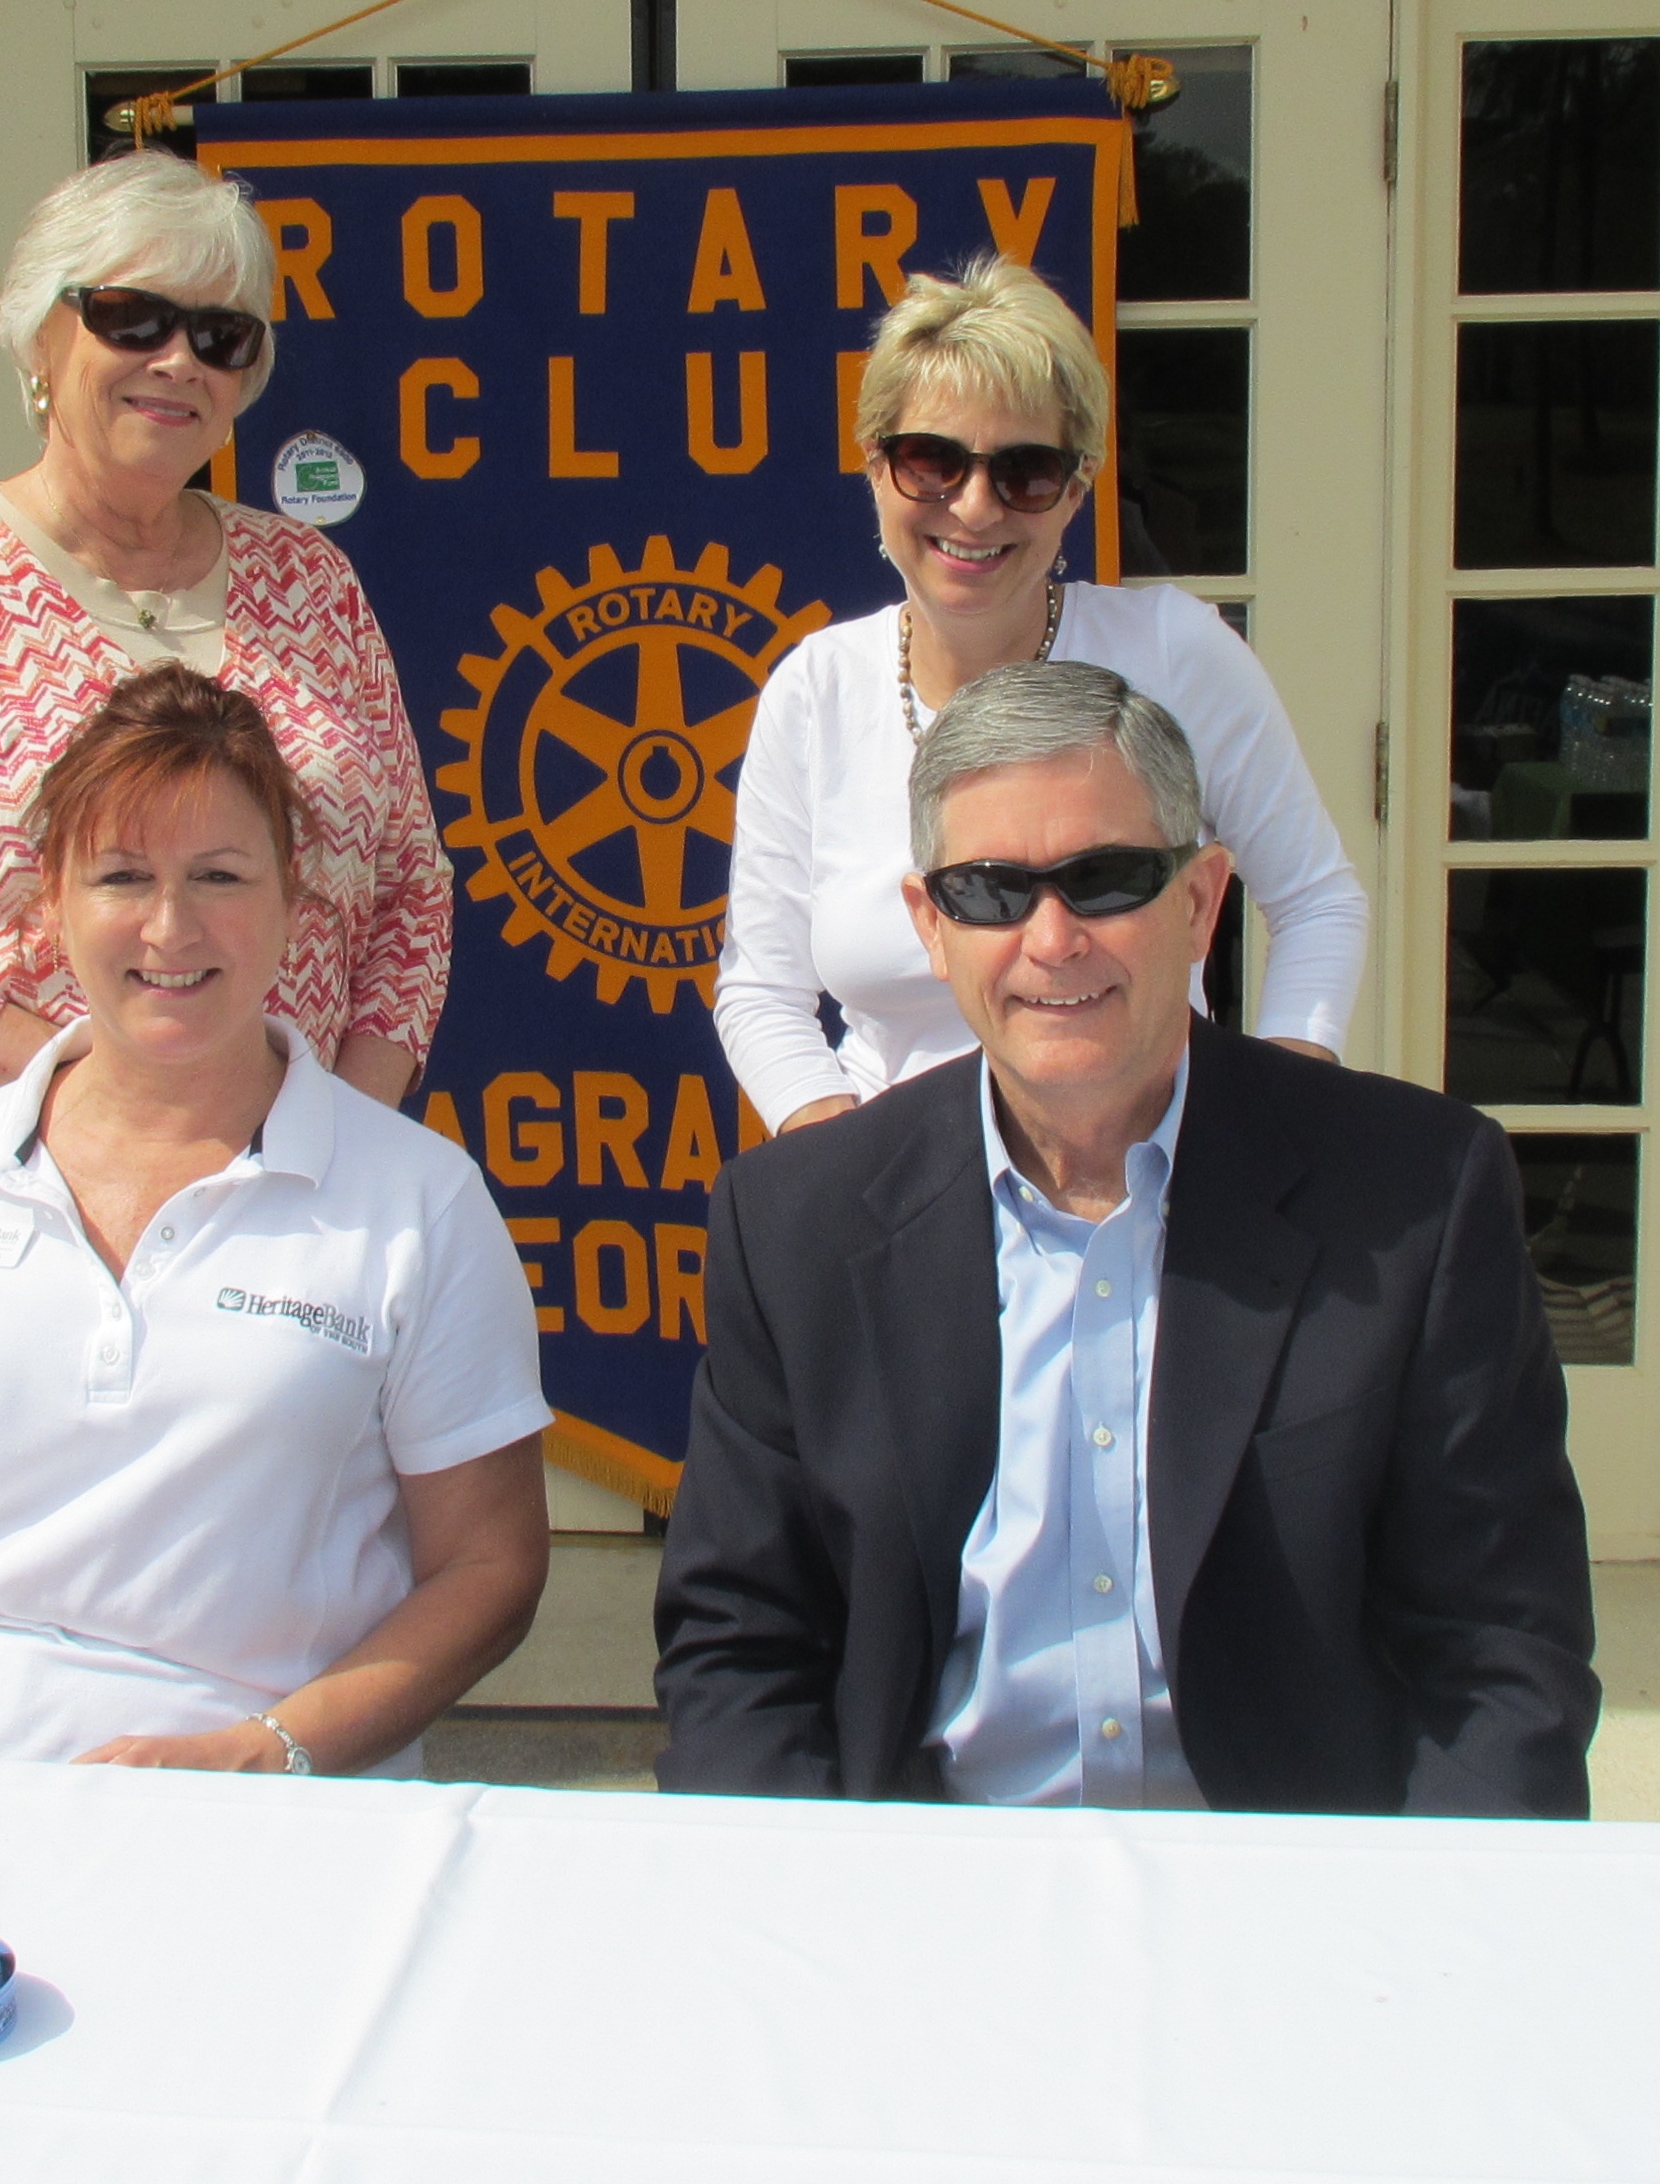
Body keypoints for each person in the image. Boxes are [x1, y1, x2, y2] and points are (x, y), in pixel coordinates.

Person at [656, 661, 1597, 1817]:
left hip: (1289, 1884)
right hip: (931, 1877)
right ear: (930, 926)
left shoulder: (1417, 1198)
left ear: (1199, 902)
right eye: (991, 891)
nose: (1051, 939)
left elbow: (1502, 1656)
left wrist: (1411, 1921)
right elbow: (738, 1652)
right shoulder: (796, 1223)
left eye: (1103, 881)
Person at [0, 665, 549, 1773]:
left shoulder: (418, 1202)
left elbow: (487, 1569)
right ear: (52, 900)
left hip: (255, 1801)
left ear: (292, 902)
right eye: (122, 876)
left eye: (219, 876)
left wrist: (261, 1752)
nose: (170, 928)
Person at [0, 150, 450, 1243]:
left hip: (287, 1202)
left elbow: (412, 889)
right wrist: (88, 1101)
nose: (178, 360)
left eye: (221, 336)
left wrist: (342, 1134)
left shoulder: (310, 582)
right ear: (40, 335)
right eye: (133, 318)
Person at [716, 256, 1370, 1136]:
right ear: (874, 468)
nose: (973, 508)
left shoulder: (1174, 654)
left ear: (1076, 490)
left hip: (1159, 1167)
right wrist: (844, 1171)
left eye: (1023, 472)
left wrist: (1270, 1120)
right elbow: (760, 989)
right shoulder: (814, 692)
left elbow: (1316, 901)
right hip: (893, 1177)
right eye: (931, 461)